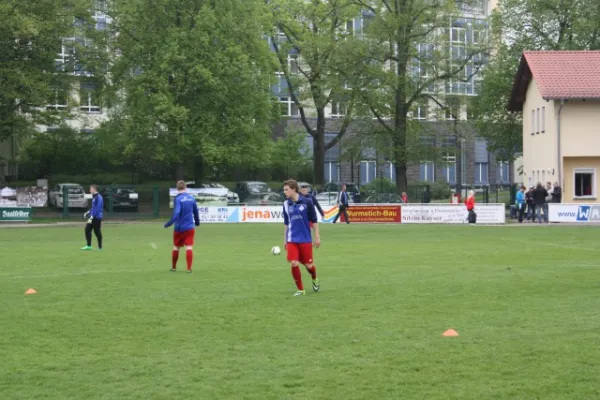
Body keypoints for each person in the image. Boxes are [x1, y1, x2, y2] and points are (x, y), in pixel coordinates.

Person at [282, 179, 320, 297]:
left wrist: (317, 237)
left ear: (293, 189)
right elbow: (287, 223)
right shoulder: (285, 204)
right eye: (284, 190)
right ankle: (301, 289)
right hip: (292, 239)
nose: (285, 192)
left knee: (309, 265)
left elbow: (314, 220)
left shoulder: (307, 202)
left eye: (286, 190)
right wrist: (285, 240)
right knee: (294, 263)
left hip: (305, 239)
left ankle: (314, 278)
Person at [164, 180, 200, 273]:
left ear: (177, 188)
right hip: (189, 227)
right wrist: (197, 222)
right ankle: (189, 268)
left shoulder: (178, 199)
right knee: (189, 247)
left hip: (179, 228)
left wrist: (169, 223)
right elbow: (195, 211)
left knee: (176, 247)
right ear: (185, 188)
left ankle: (173, 267)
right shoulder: (191, 198)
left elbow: (176, 213)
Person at [82, 184, 104, 250]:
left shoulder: (98, 197)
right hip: (92, 216)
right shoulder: (95, 197)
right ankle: (89, 246)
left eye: (91, 189)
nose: (90, 190)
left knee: (97, 231)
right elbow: (93, 208)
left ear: (94, 189)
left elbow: (97, 209)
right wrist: (88, 212)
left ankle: (100, 247)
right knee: (87, 229)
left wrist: (92, 216)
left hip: (96, 217)